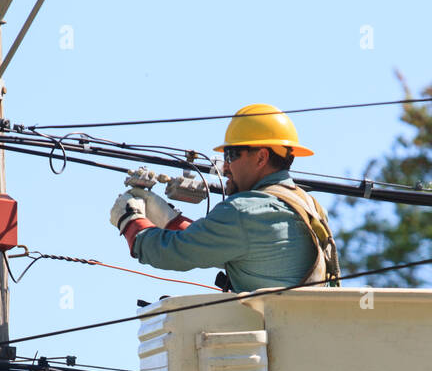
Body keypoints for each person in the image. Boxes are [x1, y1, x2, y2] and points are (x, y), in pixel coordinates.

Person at [109, 104, 339, 292]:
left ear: (261, 157)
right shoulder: (308, 205)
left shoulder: (244, 211)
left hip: (271, 344)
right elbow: (221, 243)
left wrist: (130, 220)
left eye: (231, 155)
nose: (225, 167)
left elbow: (170, 253)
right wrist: (169, 219)